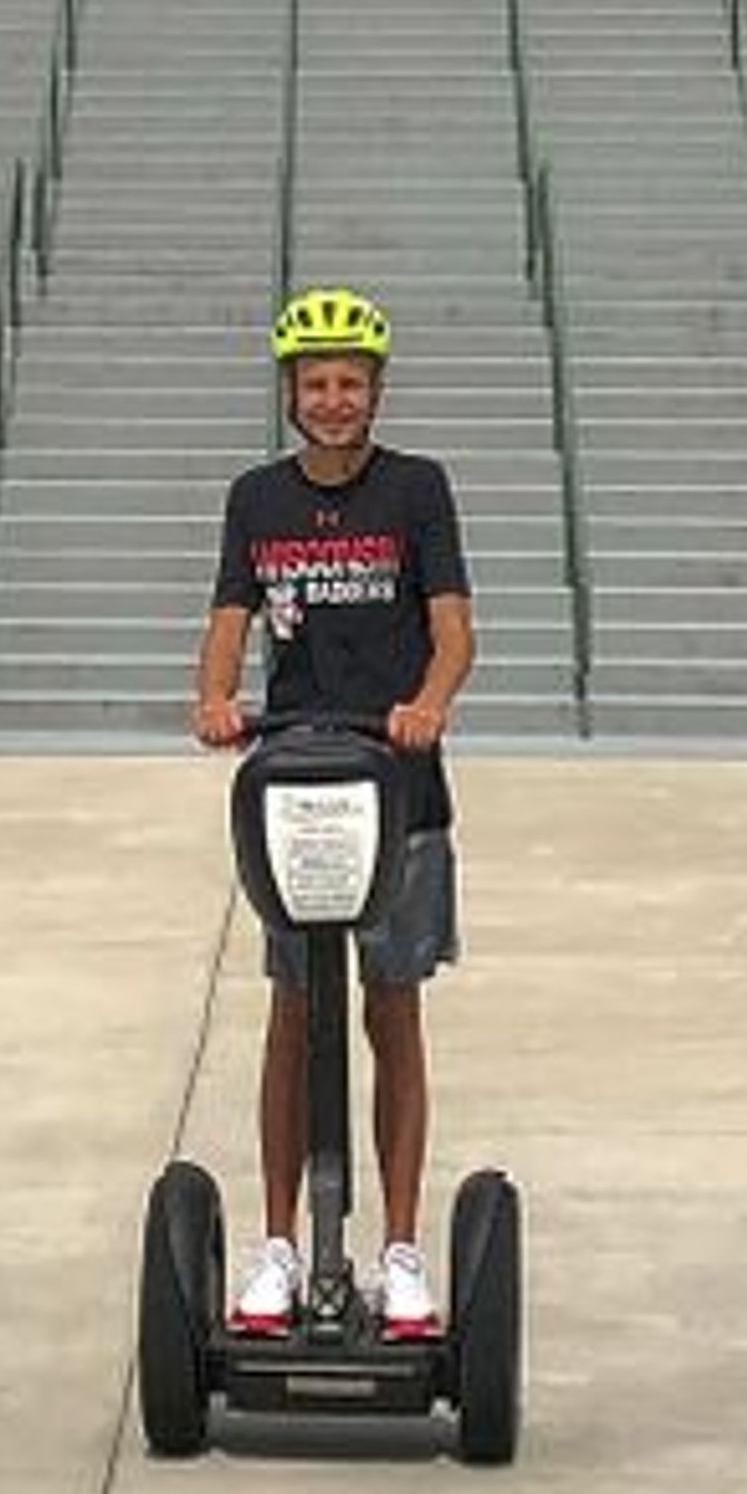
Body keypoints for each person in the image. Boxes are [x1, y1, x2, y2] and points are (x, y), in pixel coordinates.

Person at [189, 282, 475, 1340]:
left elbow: (453, 628)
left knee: (391, 1005)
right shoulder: (256, 499)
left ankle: (400, 1248)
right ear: (289, 391)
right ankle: (278, 1241)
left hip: (400, 787)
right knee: (294, 1011)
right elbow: (229, 616)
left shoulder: (416, 490)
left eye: (352, 381)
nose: (335, 399)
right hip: (298, 781)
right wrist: (216, 697)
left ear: (378, 388)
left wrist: (428, 705)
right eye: (316, 382)